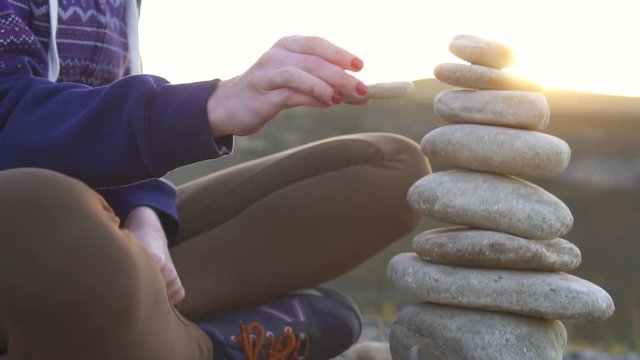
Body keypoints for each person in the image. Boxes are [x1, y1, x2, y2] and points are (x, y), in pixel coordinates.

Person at [0, 0, 430, 359]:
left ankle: (139, 317)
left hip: (99, 242)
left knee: (395, 168)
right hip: (34, 233)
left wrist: (145, 219)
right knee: (30, 203)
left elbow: (102, 133)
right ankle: (211, 346)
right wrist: (210, 105)